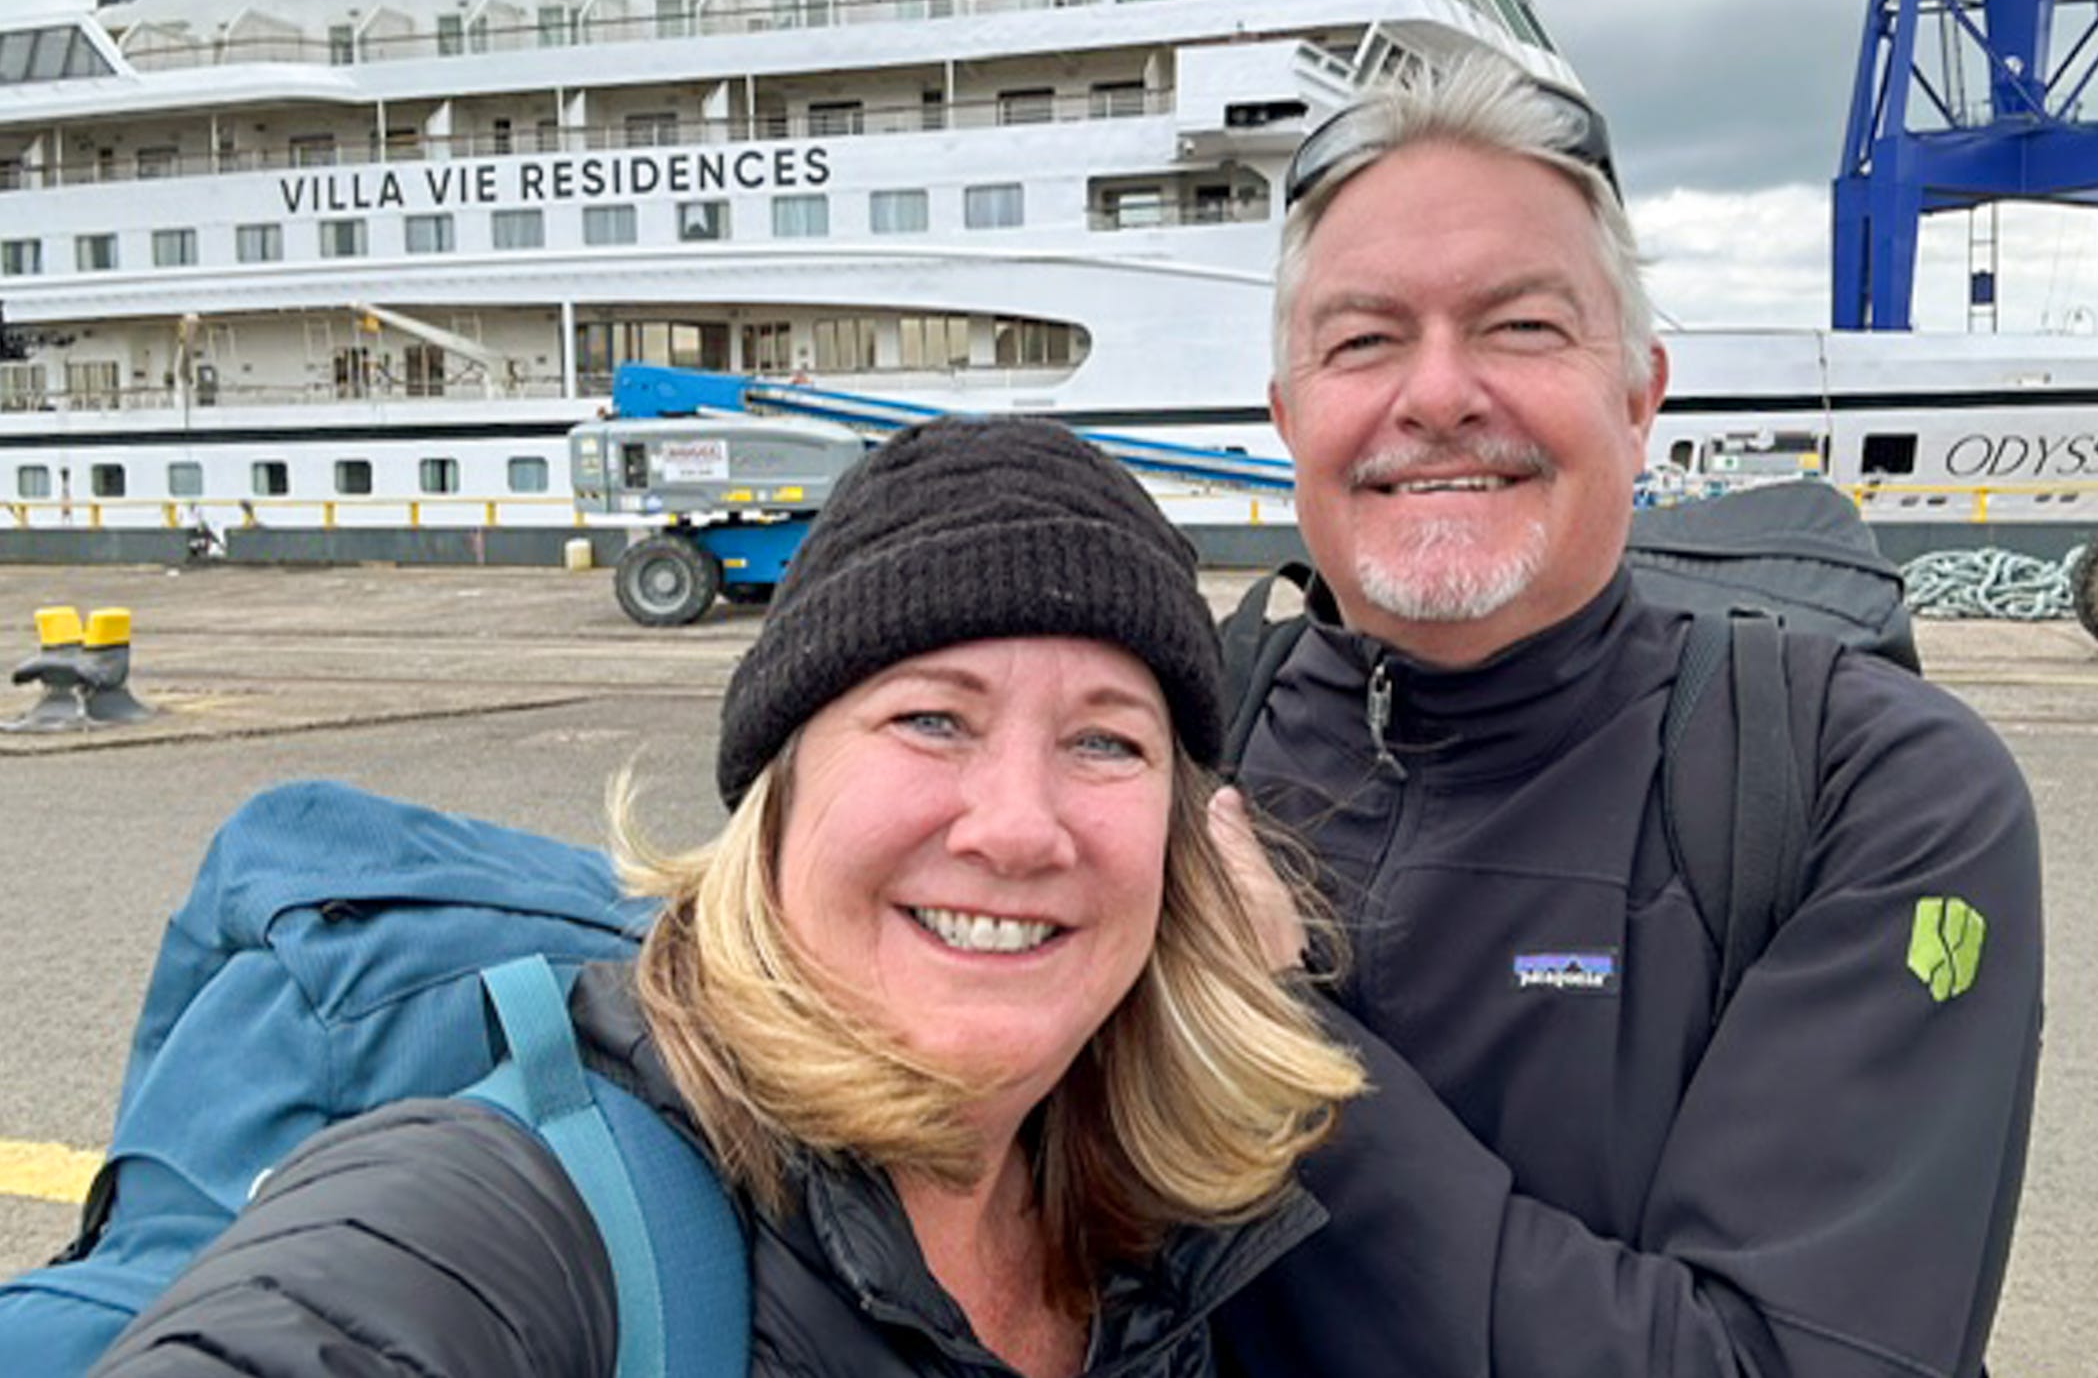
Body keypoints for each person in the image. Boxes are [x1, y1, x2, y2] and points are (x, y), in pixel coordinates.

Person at [93, 417, 1363, 1378]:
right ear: (778, 796)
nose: (1020, 827)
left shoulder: (1153, 1212)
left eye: (1105, 742)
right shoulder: (522, 1219)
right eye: (930, 720)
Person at [1213, 58, 2042, 1378]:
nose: (1435, 395)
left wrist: (1267, 1043)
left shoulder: (1872, 793)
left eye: (1522, 328)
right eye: (1362, 340)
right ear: (1287, 415)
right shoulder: (1173, 745)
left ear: (1643, 394)